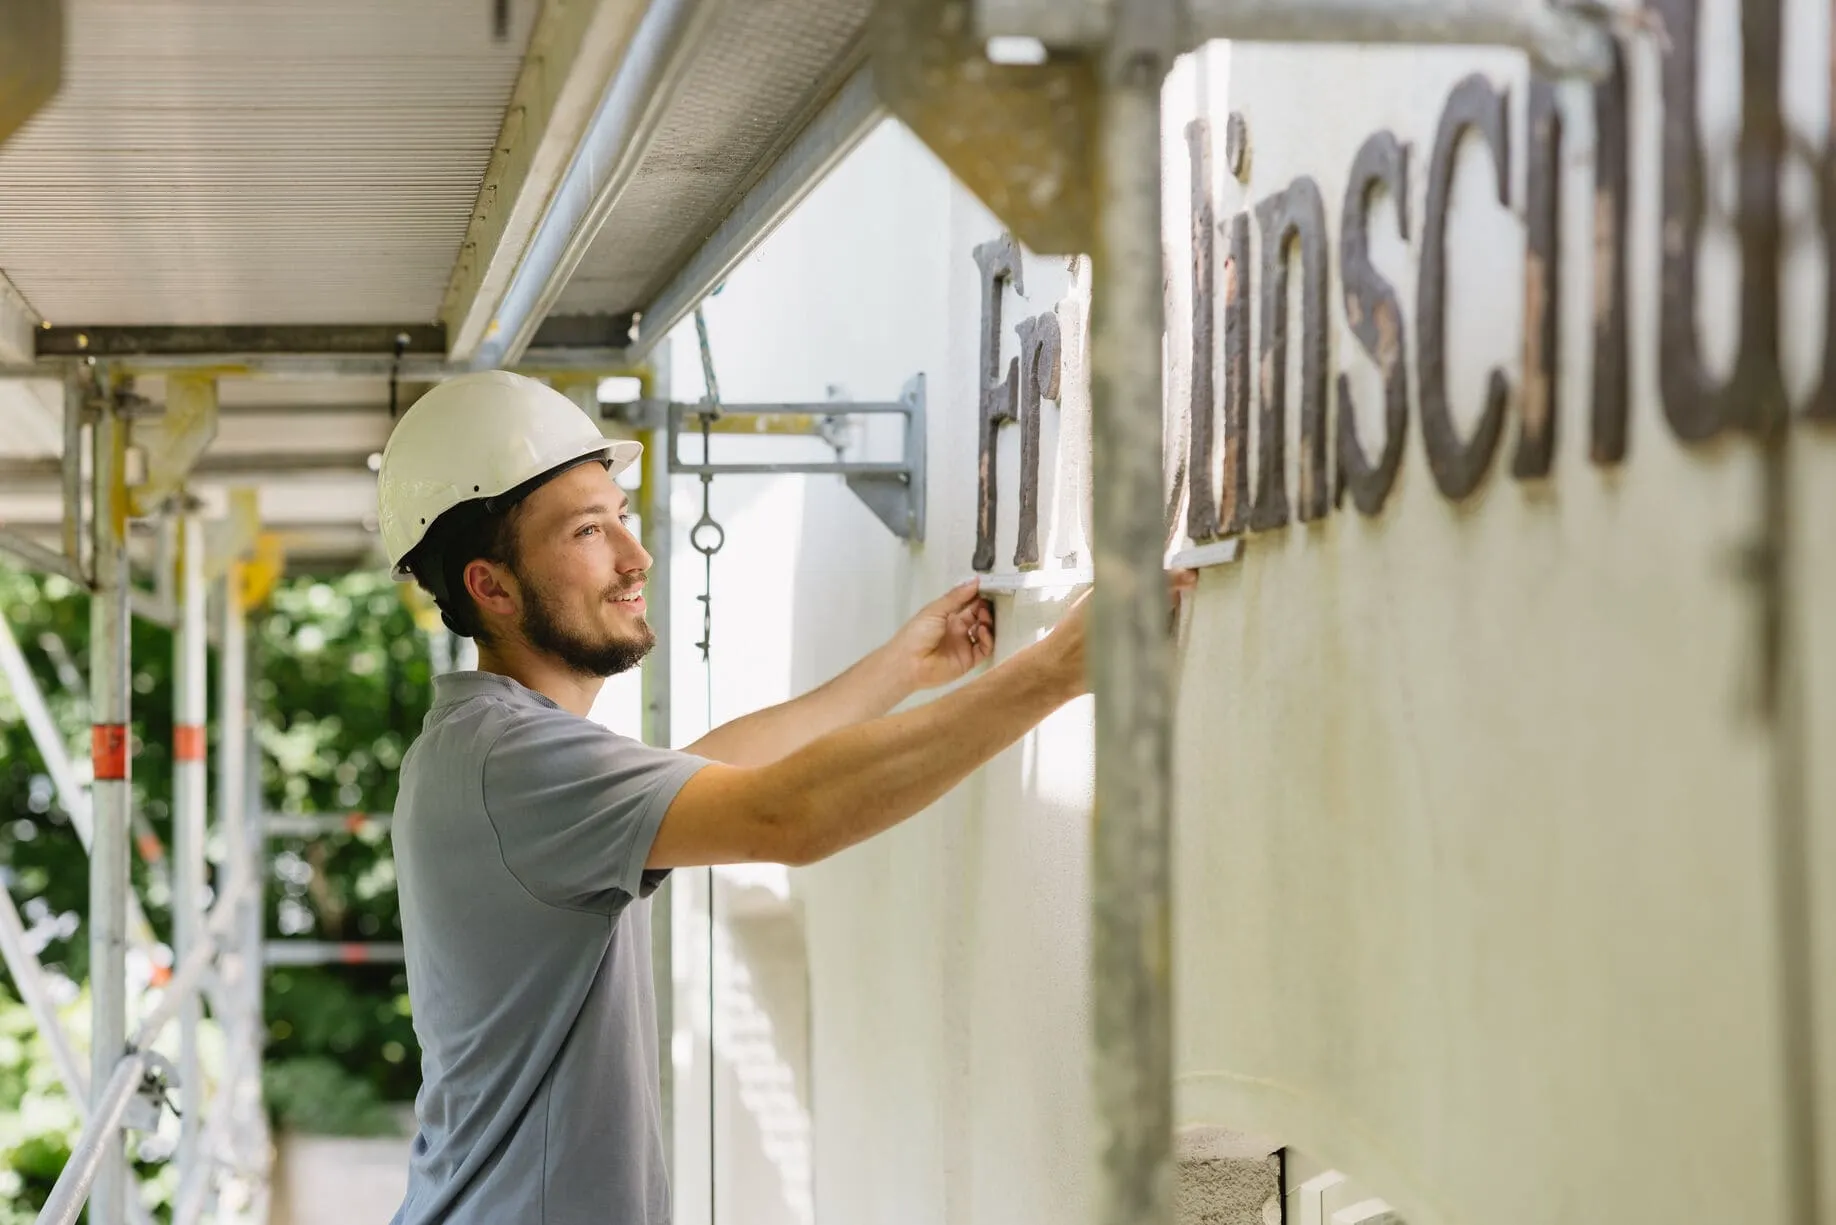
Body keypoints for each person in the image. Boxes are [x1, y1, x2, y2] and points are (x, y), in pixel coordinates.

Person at [375, 370, 1188, 1225]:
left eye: (620, 512)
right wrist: (1054, 671)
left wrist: (900, 671)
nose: (634, 553)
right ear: (492, 588)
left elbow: (702, 778)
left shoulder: (492, 749)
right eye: (588, 529)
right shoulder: (513, 759)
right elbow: (782, 814)